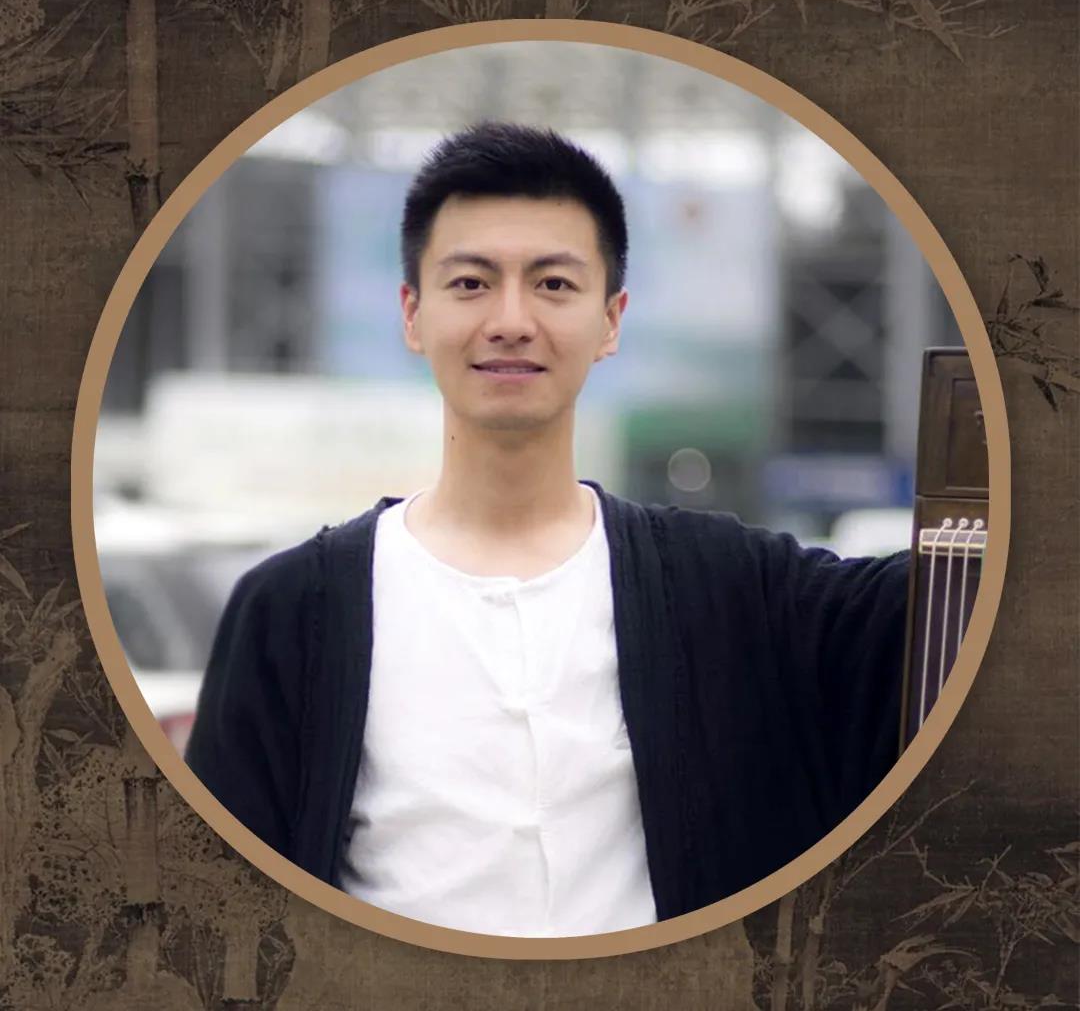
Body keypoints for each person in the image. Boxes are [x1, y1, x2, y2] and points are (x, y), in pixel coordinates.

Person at [185, 121, 909, 938]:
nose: (511, 320)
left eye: (554, 284)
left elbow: (945, 607)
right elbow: (215, 912)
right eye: (470, 283)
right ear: (412, 314)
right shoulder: (293, 610)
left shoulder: (731, 587)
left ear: (611, 320)